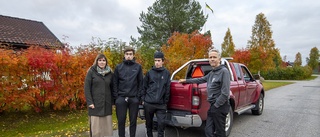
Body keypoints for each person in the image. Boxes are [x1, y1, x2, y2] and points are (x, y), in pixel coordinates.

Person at [179, 49, 230, 137]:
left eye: (214, 57)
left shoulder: (224, 72)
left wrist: (216, 106)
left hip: (220, 106)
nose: (212, 59)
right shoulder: (212, 73)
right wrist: (186, 80)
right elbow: (200, 79)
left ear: (219, 59)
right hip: (212, 106)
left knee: (220, 132)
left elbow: (225, 93)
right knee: (208, 131)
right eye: (210, 57)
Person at [112, 46, 143, 137]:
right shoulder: (119, 67)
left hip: (133, 98)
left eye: (130, 54)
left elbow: (141, 82)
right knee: (121, 121)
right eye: (127, 54)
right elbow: (115, 82)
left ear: (133, 55)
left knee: (133, 121)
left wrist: (138, 97)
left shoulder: (138, 67)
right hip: (121, 98)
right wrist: (116, 97)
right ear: (124, 55)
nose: (128, 56)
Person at [84, 53, 114, 137]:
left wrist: (112, 102)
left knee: (107, 130)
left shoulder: (110, 73)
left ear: (106, 62)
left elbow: (112, 89)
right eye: (100, 60)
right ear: (96, 61)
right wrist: (90, 102)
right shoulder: (91, 72)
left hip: (107, 104)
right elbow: (87, 88)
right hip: (95, 105)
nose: (102, 62)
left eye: (103, 60)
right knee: (96, 131)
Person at [142, 51, 170, 137]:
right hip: (149, 103)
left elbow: (167, 88)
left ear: (162, 61)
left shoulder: (166, 73)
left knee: (161, 123)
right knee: (149, 123)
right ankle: (149, 135)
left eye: (159, 60)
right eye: (155, 60)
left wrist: (165, 101)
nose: (157, 62)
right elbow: (144, 87)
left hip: (161, 104)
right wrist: (143, 100)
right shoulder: (149, 73)